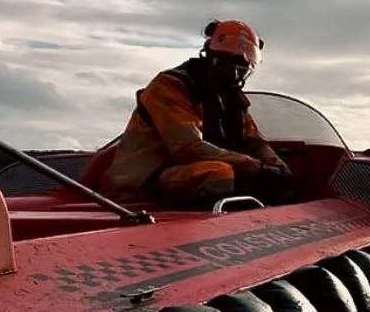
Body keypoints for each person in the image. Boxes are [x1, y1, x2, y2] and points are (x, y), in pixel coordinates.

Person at [100, 19, 294, 205]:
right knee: (217, 173)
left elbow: (253, 139)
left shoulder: (232, 97)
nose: (234, 75)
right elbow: (188, 148)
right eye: (227, 65)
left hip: (185, 177)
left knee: (275, 179)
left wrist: (277, 167)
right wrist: (256, 167)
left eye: (241, 69)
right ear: (208, 56)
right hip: (142, 185)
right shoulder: (170, 86)